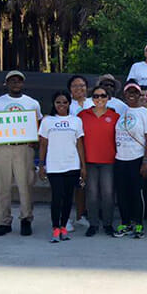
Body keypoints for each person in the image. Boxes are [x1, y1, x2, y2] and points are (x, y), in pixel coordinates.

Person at [0, 71, 43, 237]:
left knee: (25, 185)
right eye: (12, 81)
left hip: (23, 148)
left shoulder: (32, 103)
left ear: (23, 83)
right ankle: (4, 221)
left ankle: (26, 219)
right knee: (2, 186)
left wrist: (36, 139)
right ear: (7, 83)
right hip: (2, 147)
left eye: (19, 81)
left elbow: (38, 124)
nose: (16, 83)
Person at [38, 91, 86, 243]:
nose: (61, 105)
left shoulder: (76, 121)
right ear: (54, 104)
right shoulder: (47, 121)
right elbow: (43, 144)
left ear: (69, 104)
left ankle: (64, 227)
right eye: (58, 102)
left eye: (64, 102)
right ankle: (55, 228)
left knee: (67, 199)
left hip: (72, 165)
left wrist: (83, 166)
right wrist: (41, 164)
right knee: (57, 198)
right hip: (54, 166)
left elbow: (79, 144)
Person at [113, 82, 147, 239]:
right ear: (124, 95)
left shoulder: (146, 114)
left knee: (137, 193)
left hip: (137, 159)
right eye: (129, 92)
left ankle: (138, 224)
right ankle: (125, 223)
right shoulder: (122, 112)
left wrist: (145, 161)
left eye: (135, 92)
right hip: (120, 158)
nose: (132, 95)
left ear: (139, 95)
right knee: (122, 193)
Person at [78, 86, 119, 237]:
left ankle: (107, 223)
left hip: (109, 160)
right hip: (89, 160)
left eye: (103, 96)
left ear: (108, 98)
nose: (99, 99)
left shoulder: (115, 116)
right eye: (96, 96)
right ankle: (94, 223)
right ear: (92, 98)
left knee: (108, 193)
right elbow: (78, 139)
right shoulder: (83, 115)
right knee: (92, 193)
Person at [65, 75, 92, 232]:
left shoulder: (92, 103)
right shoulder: (67, 104)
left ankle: (81, 216)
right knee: (68, 185)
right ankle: (66, 218)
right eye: (75, 86)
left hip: (90, 149)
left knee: (82, 184)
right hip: (70, 149)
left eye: (82, 85)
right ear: (70, 89)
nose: (79, 88)